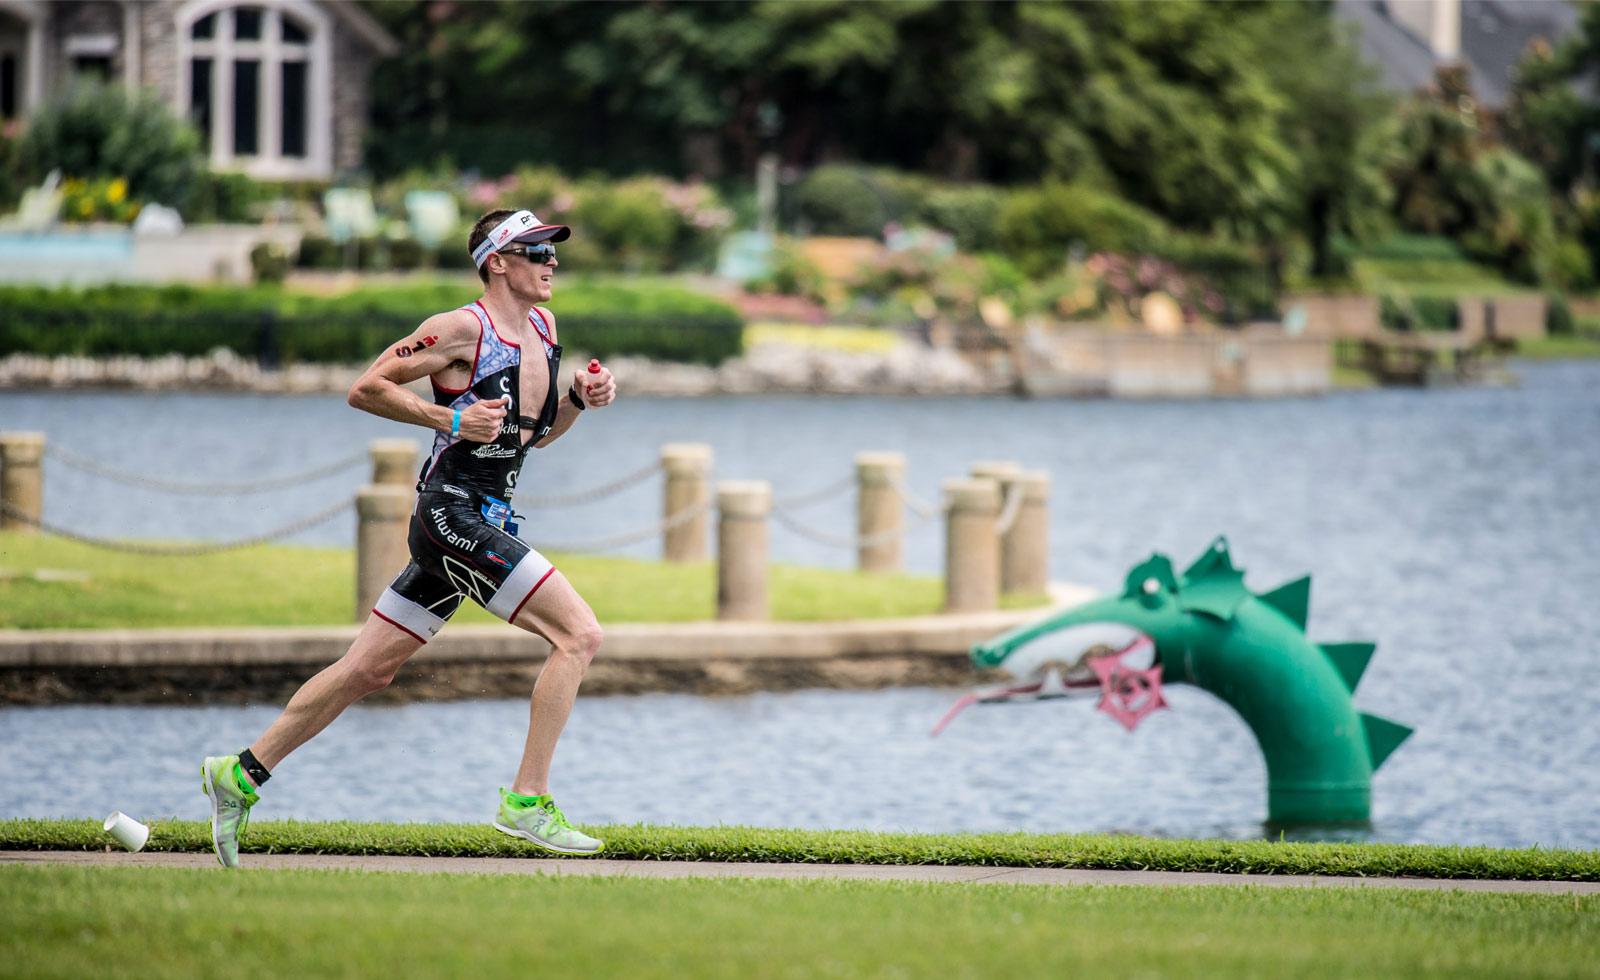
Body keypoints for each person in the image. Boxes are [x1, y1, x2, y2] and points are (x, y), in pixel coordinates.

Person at [200, 208, 617, 867]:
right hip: (451, 517)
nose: (552, 262)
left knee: (369, 669)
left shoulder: (544, 327)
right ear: (498, 262)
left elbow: (530, 439)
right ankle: (527, 801)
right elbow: (364, 388)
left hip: (487, 518)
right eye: (537, 251)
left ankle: (242, 773)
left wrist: (578, 401)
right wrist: (446, 415)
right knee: (580, 636)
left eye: (552, 251)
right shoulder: (457, 329)